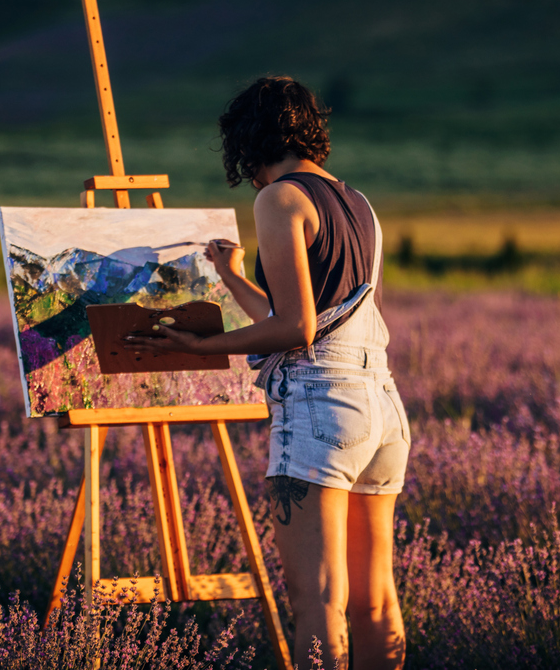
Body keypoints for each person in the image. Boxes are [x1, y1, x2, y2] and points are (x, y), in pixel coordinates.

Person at [126, 76, 410, 669]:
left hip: (320, 411)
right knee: (376, 603)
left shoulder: (279, 199)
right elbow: (312, 315)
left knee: (318, 603)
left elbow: (297, 331)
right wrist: (231, 276)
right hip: (381, 409)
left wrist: (204, 346)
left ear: (249, 141)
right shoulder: (358, 202)